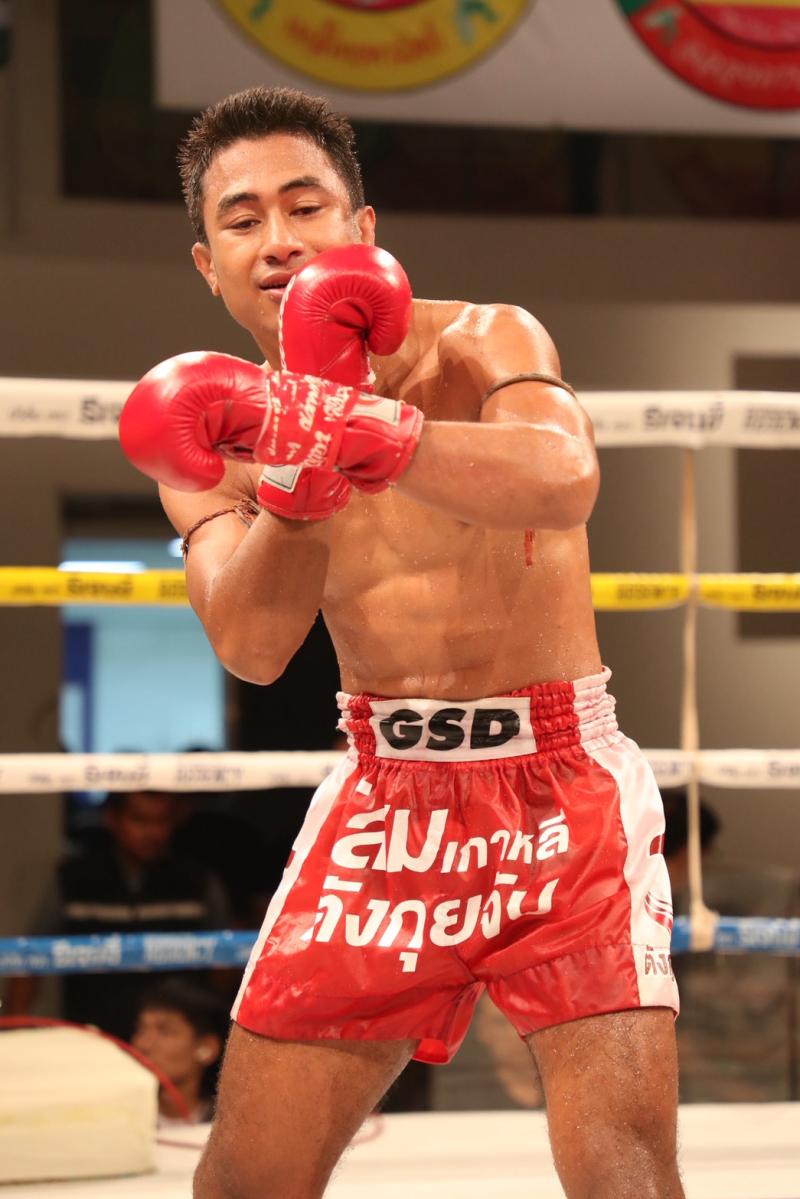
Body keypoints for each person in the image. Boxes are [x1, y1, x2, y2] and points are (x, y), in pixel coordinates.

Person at [119, 87, 683, 1199]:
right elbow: (252, 644)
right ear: (207, 264)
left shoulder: (482, 339)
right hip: (387, 802)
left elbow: (563, 477)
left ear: (361, 227)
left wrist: (361, 426)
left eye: (305, 206)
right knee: (244, 1181)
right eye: (242, 219)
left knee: (621, 1172)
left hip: (559, 789)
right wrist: (297, 476)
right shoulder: (215, 427)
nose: (278, 240)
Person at [6, 788, 230, 1040]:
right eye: (140, 820)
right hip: (92, 1036)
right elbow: (30, 959)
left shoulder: (197, 882)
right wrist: (17, 1034)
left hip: (172, 1042)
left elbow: (224, 970)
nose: (153, 832)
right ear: (112, 818)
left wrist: (209, 1031)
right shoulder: (74, 881)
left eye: (162, 820)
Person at [132, 978, 228, 1127]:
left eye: (165, 1031)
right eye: (141, 1029)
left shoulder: (227, 1125)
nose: (143, 1044)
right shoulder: (118, 1119)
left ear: (207, 1048)